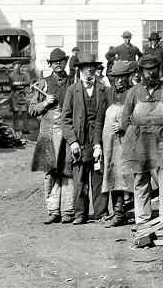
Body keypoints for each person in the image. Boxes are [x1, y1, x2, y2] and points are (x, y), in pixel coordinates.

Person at [119, 53, 163, 225]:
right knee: (140, 180)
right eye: (147, 71)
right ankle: (142, 219)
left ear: (158, 70)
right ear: (141, 72)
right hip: (140, 141)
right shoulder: (133, 92)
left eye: (153, 70)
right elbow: (125, 121)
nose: (151, 74)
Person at [61, 56, 109, 224]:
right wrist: (72, 141)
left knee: (99, 175)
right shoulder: (72, 90)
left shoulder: (104, 90)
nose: (89, 70)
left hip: (99, 138)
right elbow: (65, 120)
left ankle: (101, 212)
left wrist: (100, 143)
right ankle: (80, 213)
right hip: (79, 141)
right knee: (80, 178)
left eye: (92, 67)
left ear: (96, 70)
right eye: (86, 67)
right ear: (80, 70)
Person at [30, 48, 72, 224]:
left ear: (65, 62)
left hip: (67, 130)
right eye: (55, 62)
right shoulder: (43, 84)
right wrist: (45, 103)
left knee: (67, 169)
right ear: (50, 64)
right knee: (50, 171)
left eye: (61, 61)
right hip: (48, 132)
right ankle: (53, 210)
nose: (58, 64)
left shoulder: (73, 82)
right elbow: (32, 109)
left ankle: (68, 210)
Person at [101, 60, 137, 225]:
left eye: (123, 77)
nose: (120, 81)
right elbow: (98, 120)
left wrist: (124, 125)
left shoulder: (135, 92)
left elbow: (141, 117)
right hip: (111, 144)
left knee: (132, 175)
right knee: (114, 175)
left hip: (131, 142)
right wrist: (96, 144)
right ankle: (119, 213)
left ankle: (140, 212)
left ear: (129, 77)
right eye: (117, 77)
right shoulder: (108, 93)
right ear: (112, 78)